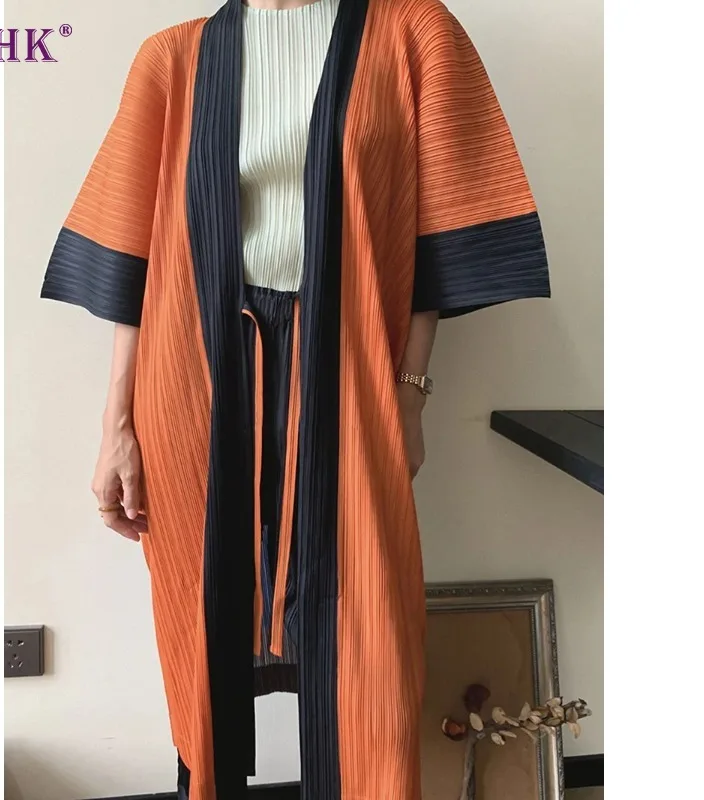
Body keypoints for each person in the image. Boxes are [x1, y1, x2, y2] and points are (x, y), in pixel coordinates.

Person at [40, 0, 550, 797]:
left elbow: (442, 234)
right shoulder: (172, 58)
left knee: (365, 631)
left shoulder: (412, 34)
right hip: (195, 373)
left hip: (350, 365)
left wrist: (411, 394)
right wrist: (118, 426)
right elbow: (134, 259)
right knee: (204, 613)